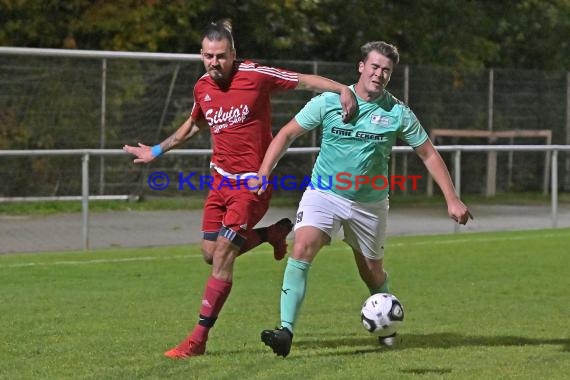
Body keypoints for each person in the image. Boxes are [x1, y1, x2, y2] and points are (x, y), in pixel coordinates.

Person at [123, 19, 357, 359]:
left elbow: (303, 81)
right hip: (219, 182)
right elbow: (194, 124)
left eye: (220, 56)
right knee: (208, 252)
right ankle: (271, 234)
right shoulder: (202, 86)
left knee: (222, 256)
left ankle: (197, 341)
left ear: (233, 54)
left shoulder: (256, 75)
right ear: (201, 55)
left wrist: (343, 89)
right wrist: (156, 151)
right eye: (208, 56)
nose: (214, 63)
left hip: (252, 185)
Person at [251, 41, 472, 357]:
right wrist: (263, 172)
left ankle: (386, 322)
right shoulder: (329, 102)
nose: (379, 74)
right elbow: (287, 134)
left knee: (371, 272)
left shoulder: (396, 112)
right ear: (361, 66)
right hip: (324, 193)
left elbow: (428, 154)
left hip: (369, 205)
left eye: (386, 70)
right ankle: (285, 331)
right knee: (301, 247)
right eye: (375, 66)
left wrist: (452, 199)